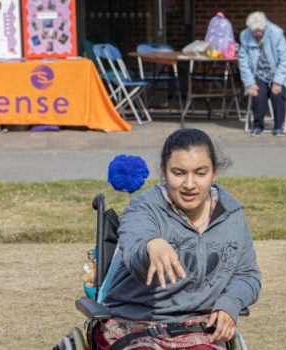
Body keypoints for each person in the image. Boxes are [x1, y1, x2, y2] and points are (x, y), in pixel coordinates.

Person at [98, 128, 262, 350]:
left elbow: (248, 275)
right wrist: (152, 245)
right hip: (135, 324)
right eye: (179, 172)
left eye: (200, 173)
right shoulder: (143, 208)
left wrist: (230, 303)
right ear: (164, 172)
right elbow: (136, 247)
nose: (189, 184)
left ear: (214, 172)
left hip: (199, 329)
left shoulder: (232, 214)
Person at [238, 11, 286, 137]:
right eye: (253, 31)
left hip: (280, 72)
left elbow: (285, 59)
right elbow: (243, 62)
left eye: (258, 31)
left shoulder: (276, 33)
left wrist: (278, 82)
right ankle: (258, 125)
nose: (255, 34)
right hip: (259, 73)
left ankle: (278, 126)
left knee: (277, 94)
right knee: (257, 94)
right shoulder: (245, 35)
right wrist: (249, 83)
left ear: (264, 27)